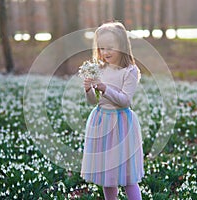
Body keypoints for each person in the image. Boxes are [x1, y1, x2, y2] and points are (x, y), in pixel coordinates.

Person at [81, 22, 144, 200]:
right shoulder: (99, 69)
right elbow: (94, 102)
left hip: (122, 124)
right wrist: (89, 90)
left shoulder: (130, 71)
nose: (105, 52)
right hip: (101, 121)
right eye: (101, 48)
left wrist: (104, 87)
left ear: (122, 46)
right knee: (107, 175)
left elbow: (125, 101)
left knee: (128, 175)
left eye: (110, 48)